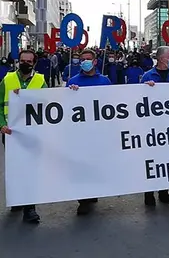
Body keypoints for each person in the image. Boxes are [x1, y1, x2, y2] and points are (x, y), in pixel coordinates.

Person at [0, 49, 47, 224]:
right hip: (11, 134)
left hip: (32, 135)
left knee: (29, 170)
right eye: (22, 60)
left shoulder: (40, 81)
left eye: (28, 61)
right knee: (15, 169)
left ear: (34, 63)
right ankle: (17, 199)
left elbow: (49, 104)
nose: (25, 63)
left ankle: (30, 208)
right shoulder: (8, 79)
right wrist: (1, 125)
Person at [67, 49, 111, 216]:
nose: (84, 61)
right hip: (80, 133)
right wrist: (70, 92)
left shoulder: (104, 81)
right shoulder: (73, 81)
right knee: (81, 164)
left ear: (94, 62)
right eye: (82, 59)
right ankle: (83, 200)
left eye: (88, 59)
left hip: (99, 132)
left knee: (95, 163)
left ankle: (92, 192)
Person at [141, 46, 169, 205]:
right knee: (152, 160)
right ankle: (148, 192)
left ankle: (164, 190)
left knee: (167, 159)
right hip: (153, 127)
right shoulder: (148, 76)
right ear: (161, 59)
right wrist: (146, 88)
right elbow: (139, 100)